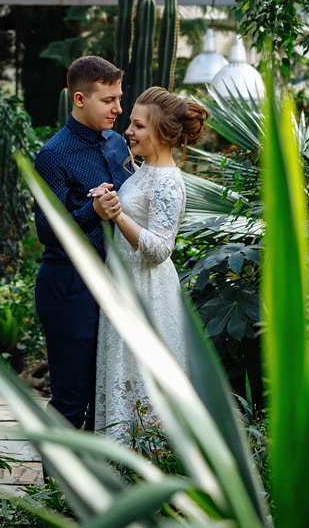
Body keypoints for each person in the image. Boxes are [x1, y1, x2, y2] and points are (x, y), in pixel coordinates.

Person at [92, 86, 208, 439]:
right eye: (130, 124)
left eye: (139, 126)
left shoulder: (168, 181)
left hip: (148, 293)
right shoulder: (143, 171)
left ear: (161, 134)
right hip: (126, 285)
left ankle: (149, 470)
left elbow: (161, 249)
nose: (128, 131)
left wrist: (117, 216)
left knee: (143, 380)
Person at [33, 56, 131, 431]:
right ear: (79, 99)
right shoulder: (53, 155)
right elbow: (46, 229)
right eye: (108, 100)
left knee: (103, 397)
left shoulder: (119, 145)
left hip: (115, 283)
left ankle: (91, 487)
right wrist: (93, 210)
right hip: (70, 285)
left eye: (119, 98)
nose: (118, 108)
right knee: (72, 400)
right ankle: (53, 489)